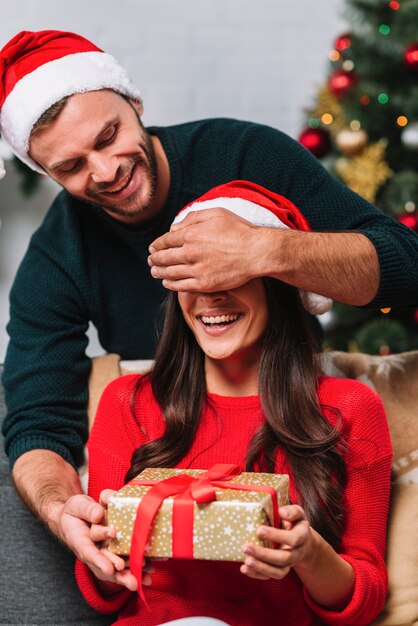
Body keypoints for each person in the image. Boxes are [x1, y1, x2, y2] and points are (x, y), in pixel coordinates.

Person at [0, 29, 411, 580]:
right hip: (173, 451)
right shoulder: (61, 252)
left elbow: (407, 267)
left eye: (109, 135)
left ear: (134, 104)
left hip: (285, 425)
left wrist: (266, 248)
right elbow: (35, 418)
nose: (104, 171)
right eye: (70, 167)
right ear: (46, 174)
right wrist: (61, 510)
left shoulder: (245, 154)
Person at [74, 181, 392, 626]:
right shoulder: (129, 401)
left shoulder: (350, 407)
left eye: (230, 273)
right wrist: (101, 551)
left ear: (277, 283)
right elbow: (103, 589)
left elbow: (366, 594)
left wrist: (308, 554)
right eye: (193, 276)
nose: (210, 296)